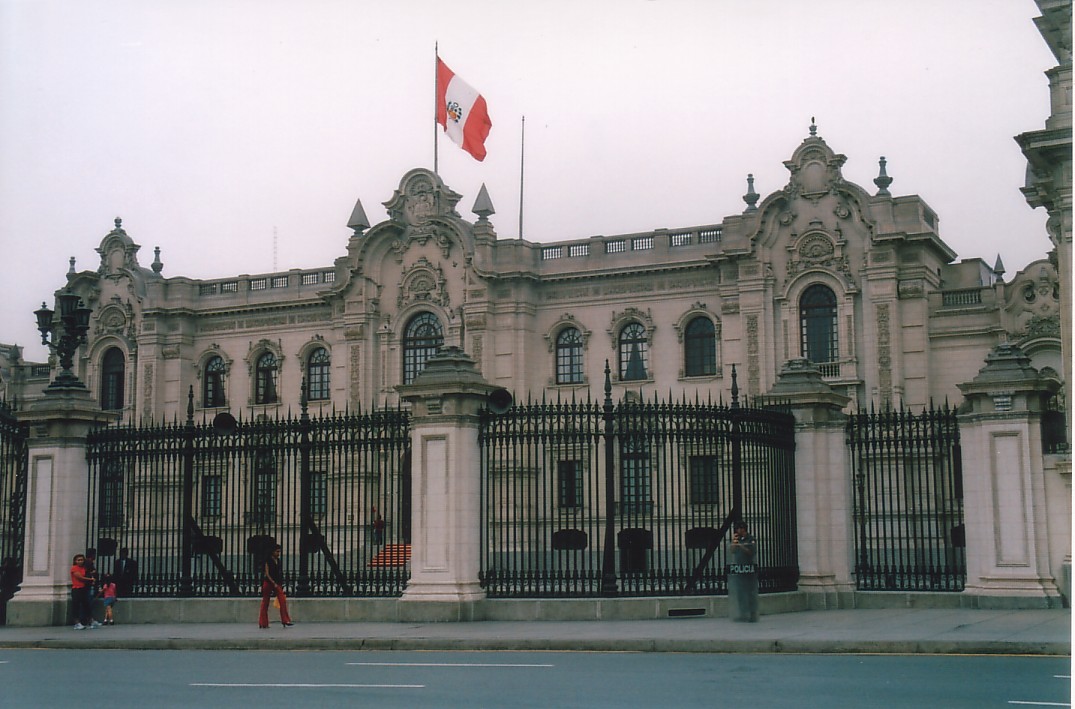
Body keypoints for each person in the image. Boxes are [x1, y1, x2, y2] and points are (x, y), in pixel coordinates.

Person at [727, 520, 759, 623]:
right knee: (740, 593)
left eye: (738, 529)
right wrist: (734, 543)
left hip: (749, 569)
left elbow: (751, 552)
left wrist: (741, 545)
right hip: (739, 568)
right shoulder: (737, 539)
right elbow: (732, 551)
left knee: (750, 593)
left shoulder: (751, 539)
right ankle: (742, 614)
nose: (737, 531)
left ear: (743, 529)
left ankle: (752, 614)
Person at [258, 545, 293, 629]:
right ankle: (263, 622)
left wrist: (279, 583)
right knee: (265, 602)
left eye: (279, 551)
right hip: (269, 583)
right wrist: (273, 582)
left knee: (282, 600)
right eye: (277, 551)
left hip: (277, 583)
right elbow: (267, 573)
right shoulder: (268, 560)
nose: (278, 553)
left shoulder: (278, 560)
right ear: (272, 552)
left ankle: (285, 620)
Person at [70, 554, 99, 630]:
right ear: (75, 561)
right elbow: (80, 577)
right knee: (76, 606)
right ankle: (77, 623)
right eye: (78, 560)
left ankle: (91, 620)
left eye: (81, 560)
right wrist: (91, 580)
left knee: (86, 605)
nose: (80, 561)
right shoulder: (74, 568)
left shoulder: (83, 568)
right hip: (76, 589)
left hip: (83, 589)